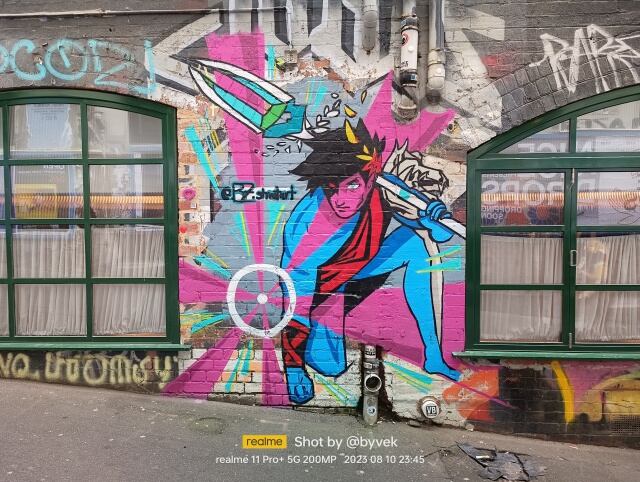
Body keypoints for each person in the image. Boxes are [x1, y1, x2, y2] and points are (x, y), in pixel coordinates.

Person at [280, 119, 460, 404]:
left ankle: (433, 356)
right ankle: (315, 355)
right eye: (332, 189)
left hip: (362, 266)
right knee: (330, 366)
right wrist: (293, 369)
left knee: (418, 244)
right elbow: (296, 302)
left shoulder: (386, 188)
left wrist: (435, 217)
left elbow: (438, 234)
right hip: (323, 290)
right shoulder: (308, 228)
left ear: (370, 178)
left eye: (351, 186)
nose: (340, 199)